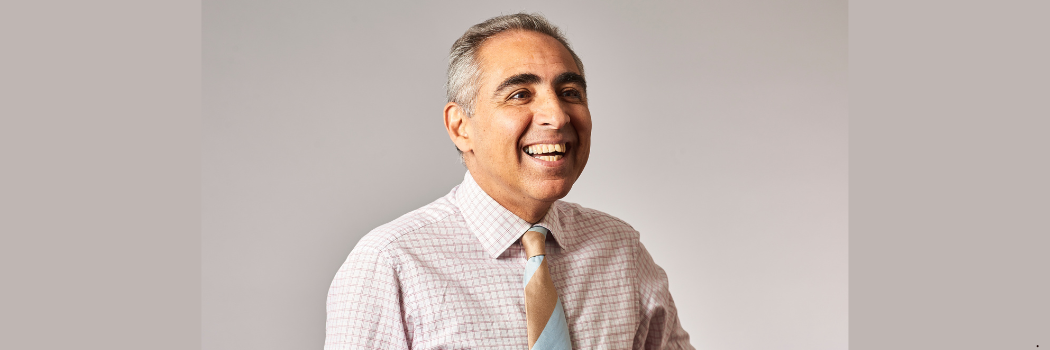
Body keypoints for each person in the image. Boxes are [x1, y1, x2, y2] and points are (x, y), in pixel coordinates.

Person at [325, 13, 694, 350]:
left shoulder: (621, 251)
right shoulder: (390, 264)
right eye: (520, 95)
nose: (557, 115)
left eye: (570, 93)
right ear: (460, 127)